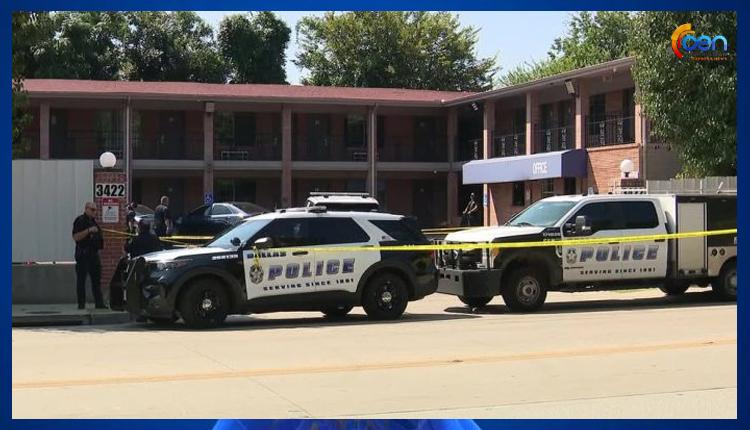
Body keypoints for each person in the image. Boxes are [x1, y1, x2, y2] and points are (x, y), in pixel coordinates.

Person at [71, 202, 105, 309]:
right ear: (86, 209)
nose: (95, 212)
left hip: (93, 254)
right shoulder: (80, 220)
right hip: (83, 254)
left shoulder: (94, 222)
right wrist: (89, 230)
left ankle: (99, 303)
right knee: (81, 280)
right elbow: (76, 237)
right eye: (92, 210)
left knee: (96, 280)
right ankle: (81, 304)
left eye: (96, 210)